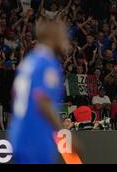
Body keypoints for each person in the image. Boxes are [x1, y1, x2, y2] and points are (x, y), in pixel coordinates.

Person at [8, 19, 73, 163]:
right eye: (63, 34)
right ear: (51, 35)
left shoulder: (30, 61)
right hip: (36, 139)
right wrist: (64, 131)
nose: (66, 38)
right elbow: (42, 100)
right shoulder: (46, 63)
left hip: (21, 135)